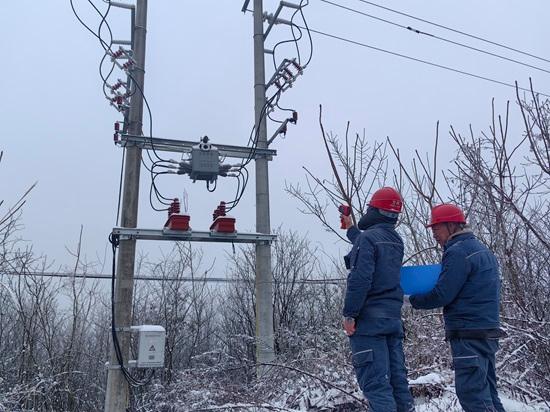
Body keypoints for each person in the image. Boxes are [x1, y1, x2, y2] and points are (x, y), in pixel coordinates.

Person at [409, 204, 505, 412]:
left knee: (472, 395)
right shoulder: (483, 251)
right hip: (486, 332)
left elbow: (443, 294)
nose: (434, 234)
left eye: (436, 228)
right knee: (487, 393)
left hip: (468, 334)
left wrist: (411, 299)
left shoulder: (458, 252)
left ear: (452, 225)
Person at [341, 187, 415, 412]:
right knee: (397, 384)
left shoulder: (368, 239)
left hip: (370, 324)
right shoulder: (395, 241)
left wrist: (350, 314)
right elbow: (370, 244)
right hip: (392, 322)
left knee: (376, 386)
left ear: (375, 210)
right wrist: (351, 229)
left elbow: (360, 278)